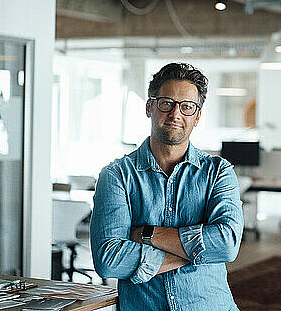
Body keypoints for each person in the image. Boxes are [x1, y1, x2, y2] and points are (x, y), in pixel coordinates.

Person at [90, 62, 244, 311]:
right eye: (166, 103)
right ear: (150, 107)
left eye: (186, 107)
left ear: (197, 116)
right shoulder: (116, 176)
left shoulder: (218, 172)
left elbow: (226, 244)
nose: (175, 114)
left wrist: (147, 235)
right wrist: (195, 254)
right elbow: (109, 260)